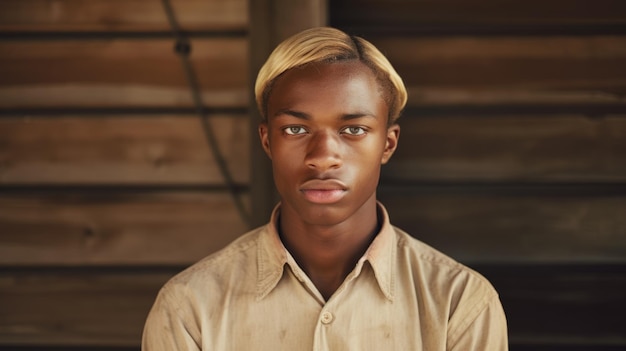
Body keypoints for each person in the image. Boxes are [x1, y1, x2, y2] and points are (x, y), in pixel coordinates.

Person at [142, 26, 508, 350]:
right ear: (267, 141)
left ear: (388, 144)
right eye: (296, 129)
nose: (323, 157)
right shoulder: (190, 308)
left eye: (353, 129)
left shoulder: (459, 305)